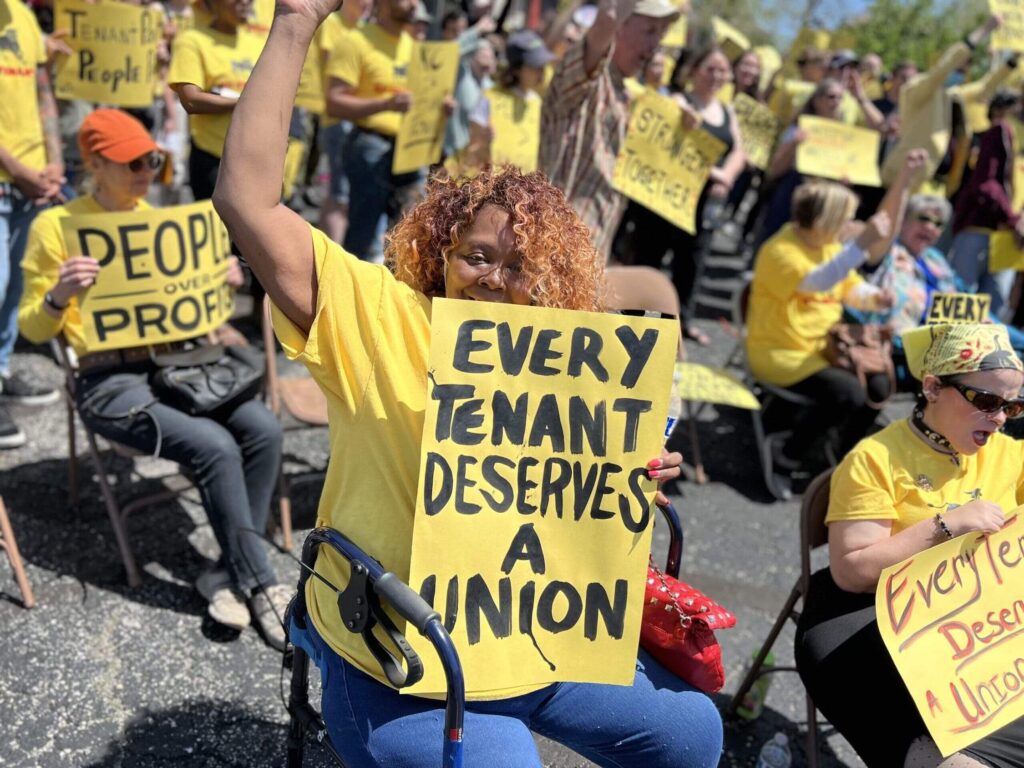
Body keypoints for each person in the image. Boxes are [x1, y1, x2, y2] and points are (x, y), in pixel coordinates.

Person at [211, 0, 724, 763]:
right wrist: (293, 23)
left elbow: (575, 503)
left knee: (694, 735)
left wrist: (627, 477)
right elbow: (246, 200)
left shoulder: (571, 356)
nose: (493, 278)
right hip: (403, 652)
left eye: (519, 265)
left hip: (539, 637)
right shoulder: (377, 314)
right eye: (477, 255)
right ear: (439, 249)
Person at [16, 109, 289, 649]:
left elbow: (191, 308)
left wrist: (218, 280)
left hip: (178, 368)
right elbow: (31, 322)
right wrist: (59, 296)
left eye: (154, 159)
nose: (147, 170)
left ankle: (229, 570)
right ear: (94, 164)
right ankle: (259, 583)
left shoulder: (156, 219)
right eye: (132, 162)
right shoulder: (58, 226)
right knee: (214, 446)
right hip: (107, 379)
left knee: (264, 429)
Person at [796, 322, 1024, 768]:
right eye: (987, 401)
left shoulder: (1009, 454)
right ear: (933, 387)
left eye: (1013, 406)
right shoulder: (875, 458)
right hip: (866, 613)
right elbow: (851, 572)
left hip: (968, 616)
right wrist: (945, 525)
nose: (998, 418)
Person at [745, 179, 899, 496]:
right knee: (848, 394)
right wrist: (862, 244)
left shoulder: (825, 245)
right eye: (843, 218)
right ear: (822, 220)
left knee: (880, 383)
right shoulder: (779, 251)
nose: (848, 225)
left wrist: (874, 297)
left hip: (822, 348)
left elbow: (847, 285)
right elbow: (818, 281)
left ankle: (837, 457)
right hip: (782, 352)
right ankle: (786, 454)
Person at [615, 46, 746, 346]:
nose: (716, 76)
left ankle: (680, 324)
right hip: (665, 200)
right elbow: (668, 119)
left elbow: (738, 151)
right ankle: (634, 317)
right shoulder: (679, 99)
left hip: (701, 205)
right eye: (710, 68)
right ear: (695, 71)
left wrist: (726, 175)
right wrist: (682, 116)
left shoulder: (727, 112)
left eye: (722, 70)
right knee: (651, 255)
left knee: (692, 262)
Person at [540, 0, 682, 259]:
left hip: (589, 260)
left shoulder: (628, 97)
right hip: (550, 251)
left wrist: (680, 121)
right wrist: (610, 16)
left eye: (660, 36)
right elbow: (603, 25)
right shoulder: (585, 79)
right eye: (650, 31)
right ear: (619, 26)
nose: (654, 47)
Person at [0, 0, 65, 448]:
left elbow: (43, 93)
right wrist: (22, 173)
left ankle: (1, 373)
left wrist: (55, 161)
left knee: (16, 286)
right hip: (11, 179)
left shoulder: (20, 14)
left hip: (34, 182)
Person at [323, 0, 425, 261]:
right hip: (369, 146)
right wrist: (385, 104)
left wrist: (439, 106)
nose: (414, 4)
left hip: (409, 151)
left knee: (408, 236)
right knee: (363, 233)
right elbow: (334, 102)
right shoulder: (355, 42)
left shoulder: (414, 48)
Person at [880, 15, 1000, 189]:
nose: (959, 73)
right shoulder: (918, 88)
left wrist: (1013, 60)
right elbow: (945, 67)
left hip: (935, 184)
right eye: (957, 68)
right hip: (902, 180)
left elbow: (986, 85)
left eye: (963, 70)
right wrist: (984, 31)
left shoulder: (952, 94)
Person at [168, 0, 267, 200]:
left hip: (257, 160)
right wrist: (242, 103)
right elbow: (191, 100)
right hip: (214, 159)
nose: (246, 2)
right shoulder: (191, 41)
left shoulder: (260, 43)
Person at [948, 90, 1024, 319]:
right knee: (961, 306)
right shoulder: (998, 132)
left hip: (1009, 240)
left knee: (994, 314)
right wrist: (1013, 220)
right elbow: (985, 183)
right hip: (981, 230)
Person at [757, 77, 845, 246]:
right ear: (817, 100)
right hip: (793, 190)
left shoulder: (843, 138)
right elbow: (775, 169)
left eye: (840, 98)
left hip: (822, 197)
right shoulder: (797, 130)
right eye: (831, 97)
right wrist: (794, 145)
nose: (836, 102)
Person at [466, 31, 554, 170]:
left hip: (525, 187)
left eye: (543, 65)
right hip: (493, 185)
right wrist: (483, 139)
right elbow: (473, 143)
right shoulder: (490, 98)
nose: (542, 71)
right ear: (516, 70)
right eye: (535, 66)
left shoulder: (538, 102)